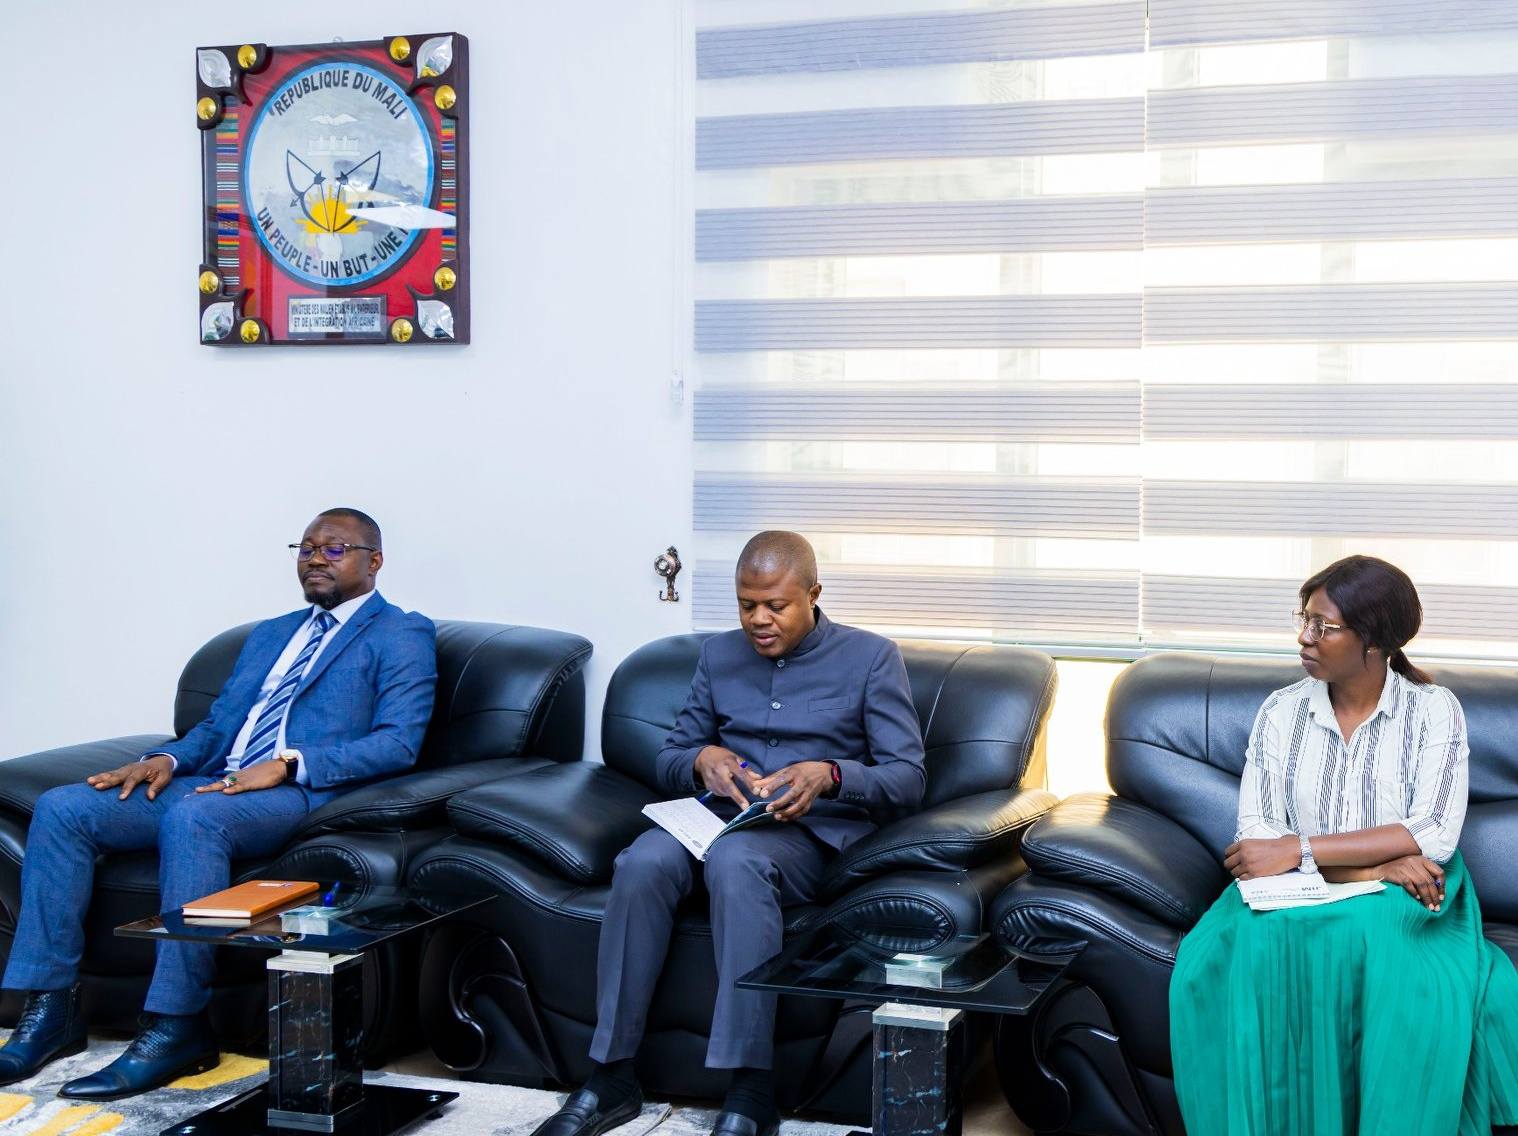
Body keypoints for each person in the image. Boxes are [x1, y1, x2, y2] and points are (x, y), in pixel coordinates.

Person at [0, 508, 437, 1101]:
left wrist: (288, 763)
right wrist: (168, 759)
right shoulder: (271, 633)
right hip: (217, 782)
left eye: (334, 549)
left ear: (374, 561)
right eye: (306, 548)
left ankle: (176, 1024)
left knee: (194, 817)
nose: (315, 558)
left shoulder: (401, 633)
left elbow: (399, 742)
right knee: (64, 808)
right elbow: (217, 727)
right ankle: (51, 1009)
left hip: (301, 793)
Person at [533, 531, 926, 1136]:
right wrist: (702, 760)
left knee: (737, 862)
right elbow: (669, 756)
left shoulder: (871, 658)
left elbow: (908, 778)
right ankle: (611, 1076)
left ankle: (751, 1092)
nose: (759, 620)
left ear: (813, 594)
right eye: (747, 605)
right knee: (640, 862)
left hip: (805, 833)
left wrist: (830, 775)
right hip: (714, 817)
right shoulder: (719, 656)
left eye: (776, 605)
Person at [1170, 555, 1518, 1135]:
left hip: (1411, 890)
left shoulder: (1434, 711)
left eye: (1323, 626)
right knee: (1252, 943)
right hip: (1308, 886)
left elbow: (1431, 835)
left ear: (1374, 641)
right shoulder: (1280, 711)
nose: (1305, 638)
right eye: (1303, 620)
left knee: (1379, 939)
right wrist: (1369, 867)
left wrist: (1299, 849)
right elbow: (1258, 841)